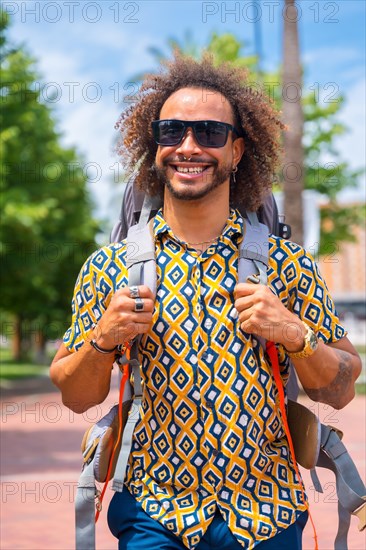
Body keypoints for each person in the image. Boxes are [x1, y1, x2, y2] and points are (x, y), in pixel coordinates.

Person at [50, 55, 361, 550]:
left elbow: (342, 388)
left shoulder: (289, 265)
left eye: (210, 133)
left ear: (237, 151)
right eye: (172, 131)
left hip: (268, 514)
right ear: (154, 147)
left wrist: (295, 336)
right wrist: (102, 340)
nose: (188, 146)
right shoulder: (110, 268)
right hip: (153, 513)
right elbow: (74, 395)